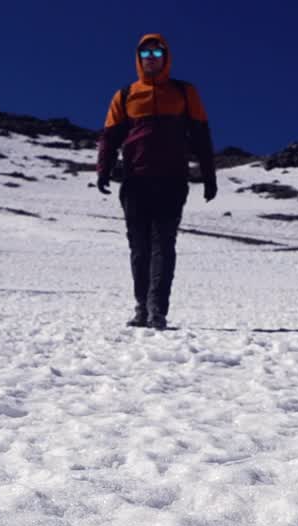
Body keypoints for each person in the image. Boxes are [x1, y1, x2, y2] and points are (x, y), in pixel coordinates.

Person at [97, 33, 217, 330]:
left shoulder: (184, 92)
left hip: (172, 180)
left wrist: (209, 176)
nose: (152, 60)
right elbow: (110, 138)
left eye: (157, 55)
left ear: (166, 58)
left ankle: (157, 310)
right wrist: (103, 170)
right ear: (139, 60)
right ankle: (141, 307)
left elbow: (201, 136)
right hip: (135, 181)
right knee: (139, 248)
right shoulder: (125, 95)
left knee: (163, 245)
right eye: (146, 56)